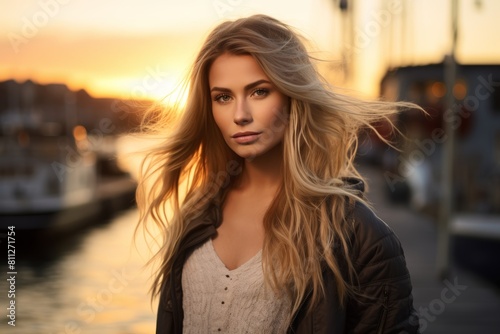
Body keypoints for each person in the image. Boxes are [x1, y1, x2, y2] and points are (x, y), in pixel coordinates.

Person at [136, 14, 420, 334]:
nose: (240, 115)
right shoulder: (194, 216)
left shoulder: (358, 235)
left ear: (291, 95)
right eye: (223, 97)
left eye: (259, 92)